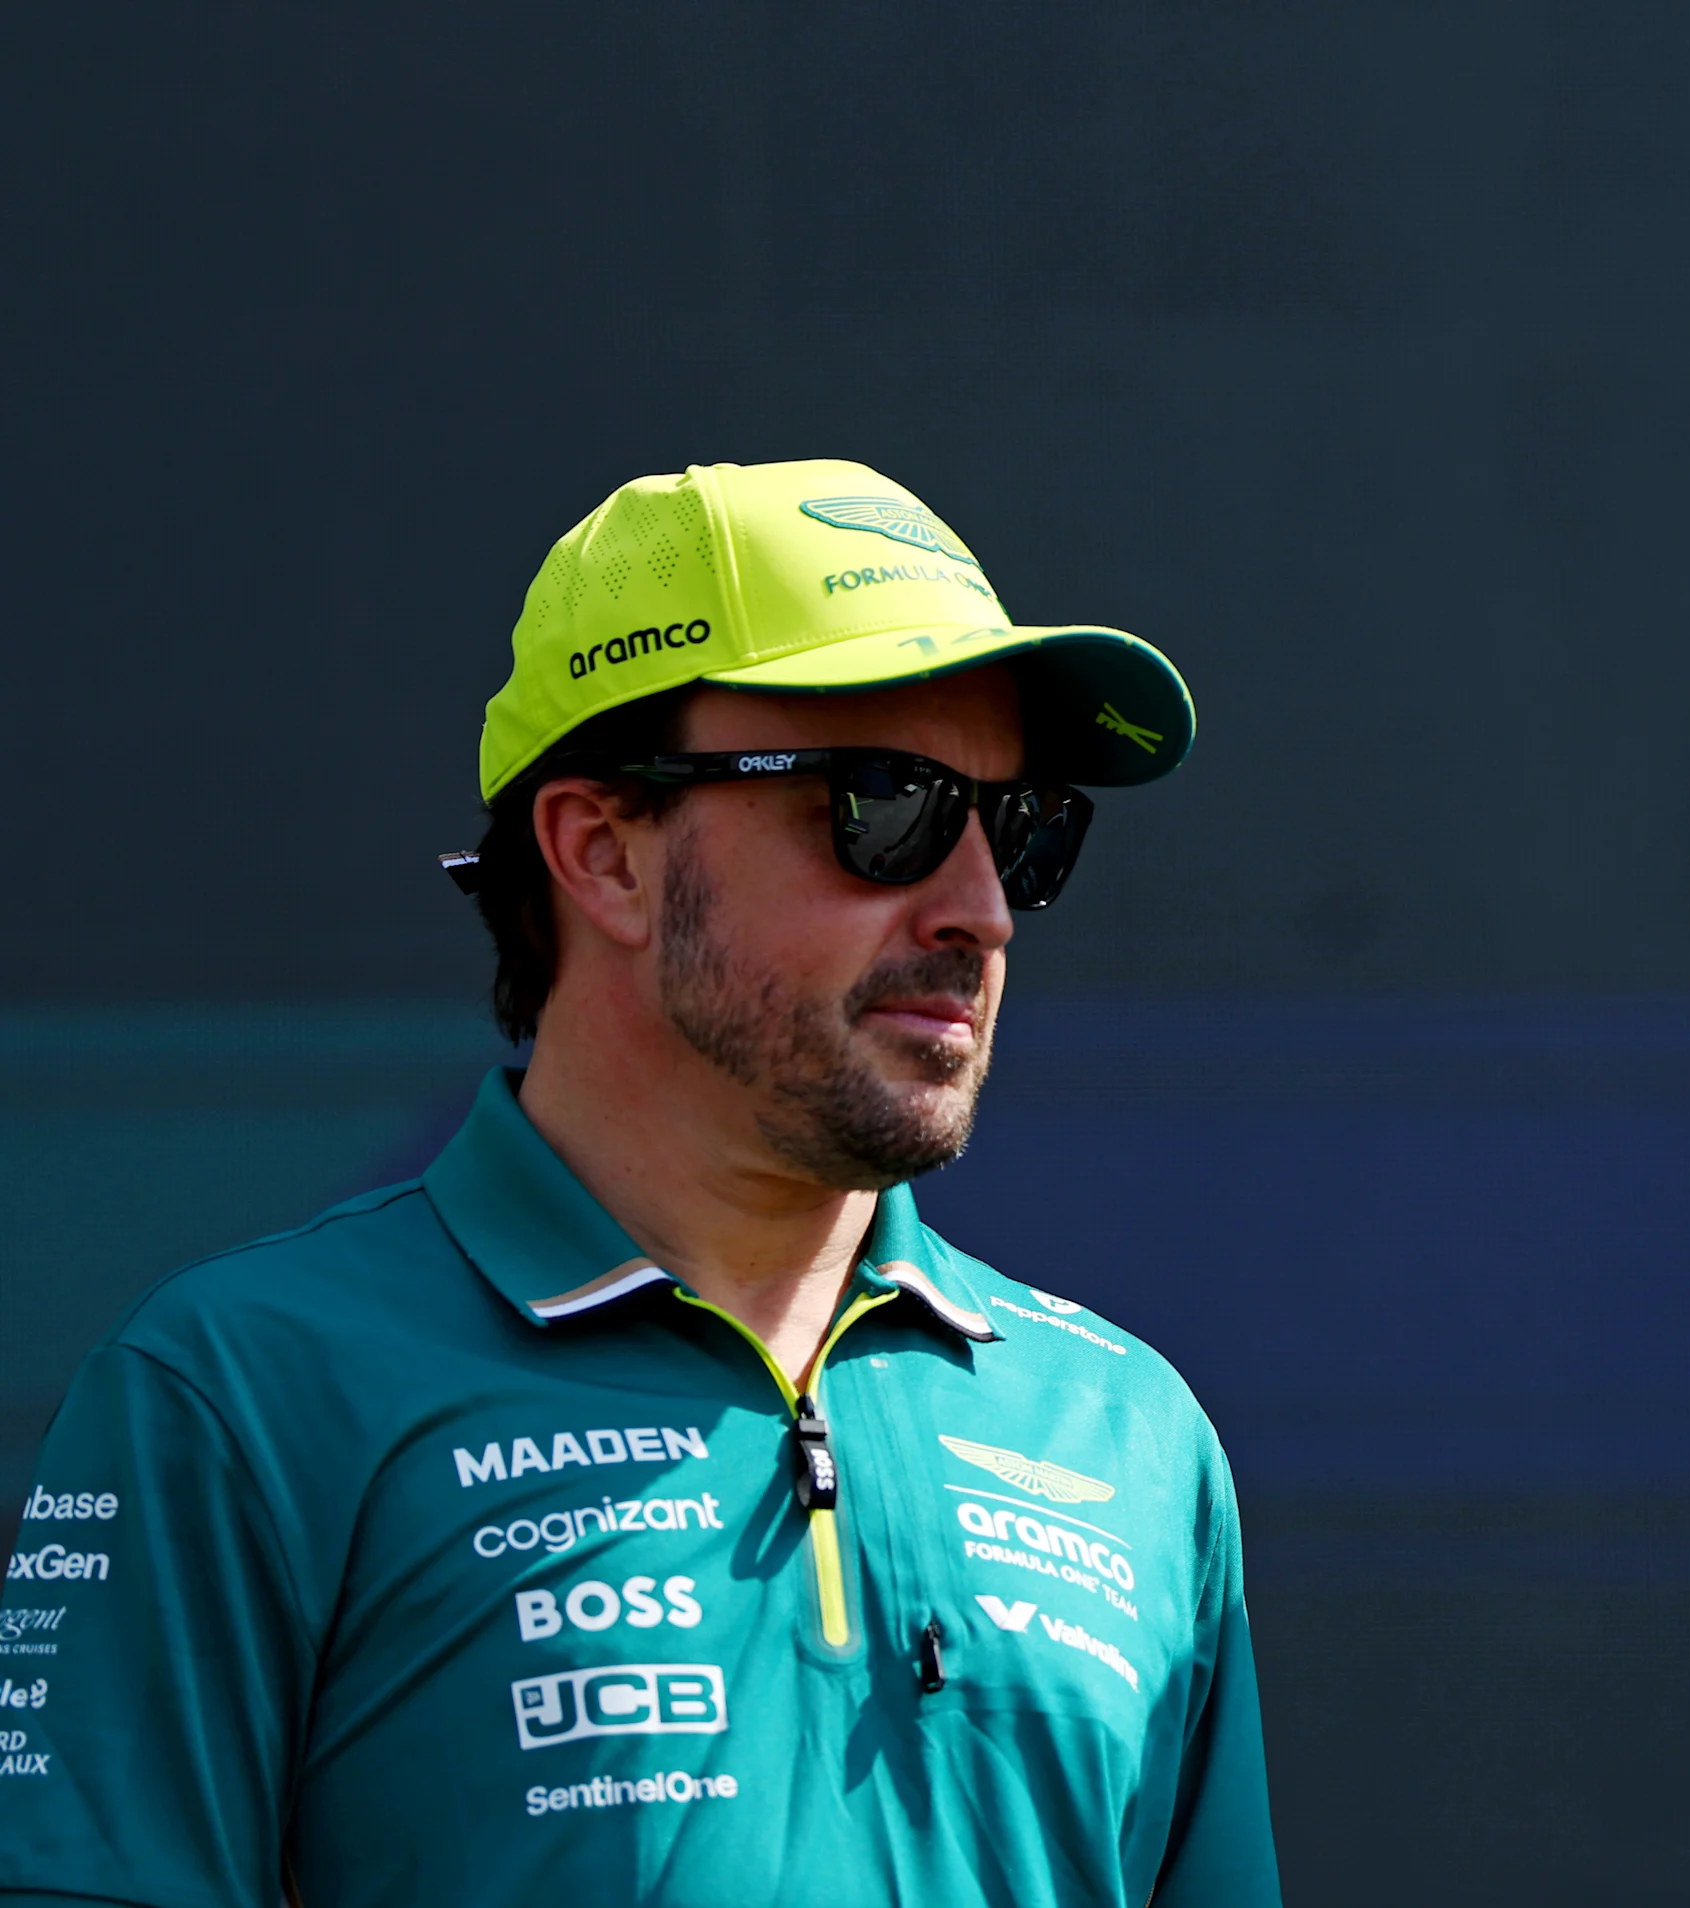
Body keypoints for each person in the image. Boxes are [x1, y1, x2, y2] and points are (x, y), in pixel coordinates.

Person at [0, 460, 1278, 1905]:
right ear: (601, 851)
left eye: (1023, 827)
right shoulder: (242, 1396)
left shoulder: (1131, 1435)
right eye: (887, 805)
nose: (978, 905)